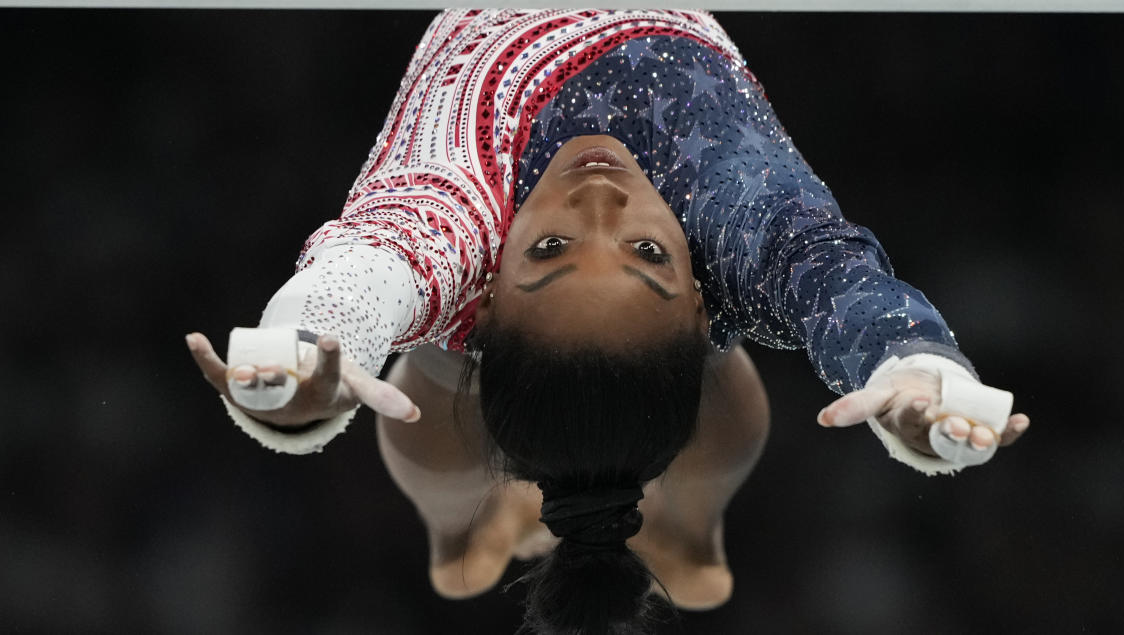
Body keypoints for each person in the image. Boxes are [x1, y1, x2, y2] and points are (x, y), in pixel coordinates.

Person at [186, 9, 1030, 634]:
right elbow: (833, 276)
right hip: (657, 312)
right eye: (649, 255)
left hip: (504, 329)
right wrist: (914, 366)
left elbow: (364, 273)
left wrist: (300, 362)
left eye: (549, 245)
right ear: (703, 301)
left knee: (431, 380)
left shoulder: (460, 210)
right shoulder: (729, 209)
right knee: (679, 380)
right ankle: (664, 529)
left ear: (480, 305)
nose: (600, 199)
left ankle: (492, 528)